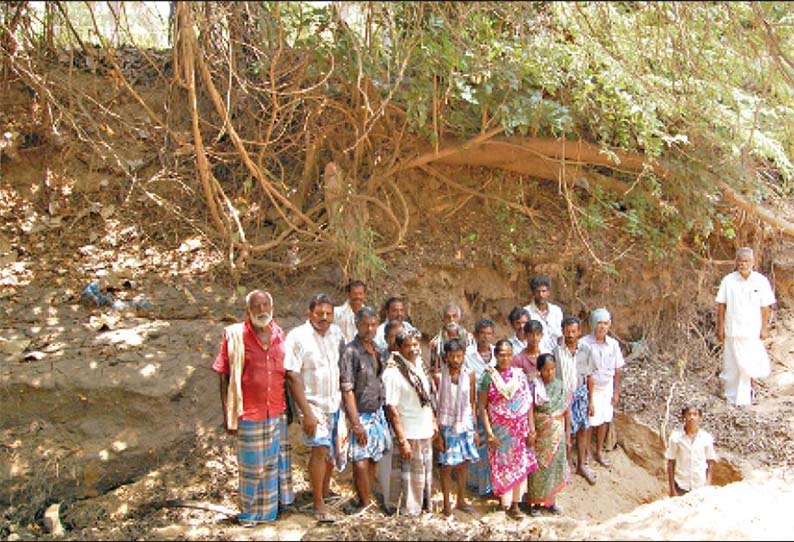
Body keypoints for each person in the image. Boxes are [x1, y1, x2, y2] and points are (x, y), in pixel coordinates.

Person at [212, 290, 294, 525]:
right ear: (248, 310)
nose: (261, 310)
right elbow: (223, 376)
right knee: (252, 469)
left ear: (272, 307)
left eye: (265, 304)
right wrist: (228, 413)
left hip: (277, 410)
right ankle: (250, 515)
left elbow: (286, 375)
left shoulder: (279, 334)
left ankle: (270, 513)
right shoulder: (235, 336)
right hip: (249, 412)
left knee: (273, 465)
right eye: (256, 306)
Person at [284, 293, 347, 523]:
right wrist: (307, 413)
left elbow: (342, 366)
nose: (324, 317)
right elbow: (291, 374)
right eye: (319, 313)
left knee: (332, 453)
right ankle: (318, 502)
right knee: (319, 450)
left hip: (334, 401)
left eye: (328, 313)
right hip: (312, 403)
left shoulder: (336, 334)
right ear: (309, 313)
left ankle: (326, 491)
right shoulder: (298, 337)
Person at [339, 306, 391, 513]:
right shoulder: (351, 351)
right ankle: (363, 502)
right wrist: (356, 423)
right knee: (360, 461)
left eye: (373, 324)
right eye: (365, 325)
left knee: (372, 459)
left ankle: (366, 501)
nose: (369, 329)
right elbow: (347, 389)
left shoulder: (377, 349)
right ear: (357, 325)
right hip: (360, 414)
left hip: (376, 413)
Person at [382, 329, 439, 516]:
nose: (413, 349)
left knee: (423, 474)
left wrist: (433, 421)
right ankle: (407, 512)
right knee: (408, 477)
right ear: (398, 348)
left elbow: (427, 396)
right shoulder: (393, 372)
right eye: (407, 345)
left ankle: (422, 508)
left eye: (415, 344)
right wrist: (402, 439)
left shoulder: (419, 365)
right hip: (409, 432)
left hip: (424, 429)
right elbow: (392, 409)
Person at [479, 340, 538, 520]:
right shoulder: (488, 376)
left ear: (512, 355)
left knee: (519, 466)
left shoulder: (519, 375)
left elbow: (528, 403)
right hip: (500, 431)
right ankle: (503, 505)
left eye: (508, 354)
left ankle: (515, 505)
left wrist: (532, 430)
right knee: (502, 465)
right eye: (501, 354)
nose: (505, 358)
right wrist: (489, 433)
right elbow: (482, 406)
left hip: (520, 431)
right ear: (496, 355)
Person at [715, 247, 776, 407]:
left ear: (753, 262)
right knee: (732, 367)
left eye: (746, 261)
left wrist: (764, 328)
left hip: (751, 332)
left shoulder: (761, 281)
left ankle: (747, 397)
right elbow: (721, 306)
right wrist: (720, 328)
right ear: (736, 262)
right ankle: (730, 398)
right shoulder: (728, 280)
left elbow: (765, 307)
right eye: (740, 261)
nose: (743, 264)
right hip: (732, 330)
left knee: (749, 365)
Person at [435, 338, 479, 517]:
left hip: (465, 423)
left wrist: (475, 428)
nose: (455, 360)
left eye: (459, 356)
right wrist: (437, 433)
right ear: (446, 357)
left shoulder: (469, 375)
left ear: (463, 356)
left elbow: (472, 402)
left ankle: (461, 500)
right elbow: (433, 405)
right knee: (446, 466)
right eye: (452, 356)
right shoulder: (438, 377)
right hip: (446, 425)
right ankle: (446, 505)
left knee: (463, 464)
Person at [527, 354, 571, 516]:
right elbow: (530, 410)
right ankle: (535, 503)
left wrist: (567, 433)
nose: (550, 373)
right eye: (546, 370)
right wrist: (532, 429)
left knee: (555, 467)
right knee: (539, 468)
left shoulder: (560, 386)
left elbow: (566, 411)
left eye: (553, 369)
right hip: (540, 433)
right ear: (539, 371)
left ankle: (551, 501)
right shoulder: (534, 387)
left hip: (557, 433)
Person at [554, 317, 596, 485]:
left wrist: (591, 401)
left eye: (574, 331)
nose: (570, 335)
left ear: (579, 332)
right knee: (566, 432)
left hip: (581, 395)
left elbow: (590, 376)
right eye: (567, 331)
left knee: (583, 429)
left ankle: (581, 464)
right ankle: (565, 467)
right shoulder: (556, 352)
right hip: (564, 396)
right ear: (562, 331)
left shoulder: (586, 350)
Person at [581, 308, 624, 469]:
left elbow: (618, 369)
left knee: (604, 420)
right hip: (591, 389)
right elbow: (582, 370)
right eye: (599, 323)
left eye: (606, 323)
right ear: (593, 324)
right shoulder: (584, 343)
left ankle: (599, 451)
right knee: (590, 422)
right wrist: (588, 397)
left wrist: (616, 392)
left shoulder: (613, 344)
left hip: (607, 388)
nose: (602, 327)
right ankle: (586, 454)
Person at [464, 318, 496, 497]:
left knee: (492, 445)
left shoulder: (497, 352)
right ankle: (475, 485)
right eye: (482, 333)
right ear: (475, 335)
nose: (485, 337)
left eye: (489, 333)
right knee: (477, 443)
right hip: (475, 404)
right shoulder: (468, 355)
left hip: (495, 407)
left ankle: (492, 485)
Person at [376, 319, 405, 515]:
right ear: (386, 338)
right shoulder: (380, 358)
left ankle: (404, 502)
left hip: (407, 419)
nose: (398, 340)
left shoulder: (410, 358)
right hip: (386, 418)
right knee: (387, 464)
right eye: (394, 336)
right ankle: (388, 503)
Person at [665, 402, 718, 497]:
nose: (692, 417)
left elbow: (710, 462)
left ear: (700, 418)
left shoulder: (706, 438)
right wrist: (672, 489)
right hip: (681, 486)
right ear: (684, 417)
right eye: (689, 414)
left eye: (695, 414)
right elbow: (670, 462)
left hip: (700, 486)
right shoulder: (676, 438)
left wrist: (708, 484)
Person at [429, 302, 475, 377]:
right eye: (448, 317)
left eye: (454, 316)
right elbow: (433, 368)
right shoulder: (436, 342)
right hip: (445, 379)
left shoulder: (469, 338)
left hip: (467, 378)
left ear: (459, 318)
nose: (451, 319)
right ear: (443, 319)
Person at [524, 276, 564, 354]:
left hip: (557, 355)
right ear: (533, 293)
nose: (541, 295)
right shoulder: (526, 312)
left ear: (549, 292)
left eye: (544, 291)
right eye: (538, 291)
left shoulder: (556, 311)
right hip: (537, 356)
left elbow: (561, 335)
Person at [334, 280, 368, 344]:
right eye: (355, 294)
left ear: (364, 295)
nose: (358, 297)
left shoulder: (369, 315)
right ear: (348, 294)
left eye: (360, 294)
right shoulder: (337, 313)